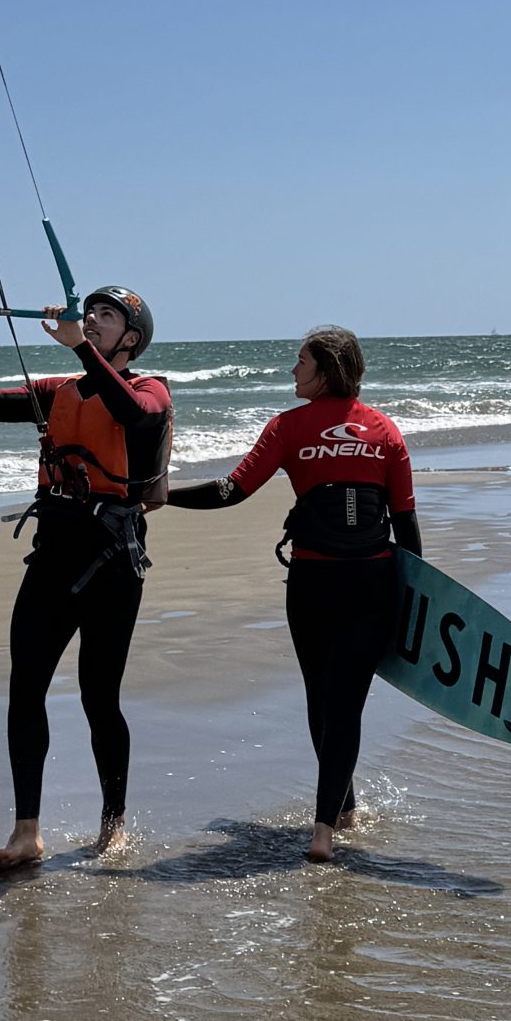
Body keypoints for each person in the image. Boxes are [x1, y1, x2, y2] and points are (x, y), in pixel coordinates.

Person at [168, 326, 419, 862]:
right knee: (346, 705)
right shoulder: (386, 431)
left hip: (312, 584)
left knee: (320, 699)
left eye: (301, 361)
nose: (293, 370)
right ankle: (333, 820)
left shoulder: (287, 427)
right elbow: (407, 529)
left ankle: (333, 818)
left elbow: (229, 492)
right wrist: (413, 606)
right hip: (371, 583)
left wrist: (161, 496)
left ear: (325, 368)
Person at [0, 287, 172, 871]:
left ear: (131, 338)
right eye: (89, 312)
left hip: (113, 564)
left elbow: (135, 416)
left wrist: (80, 349)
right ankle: (27, 832)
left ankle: (113, 824)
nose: (92, 320)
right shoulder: (57, 392)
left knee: (100, 697)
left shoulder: (149, 391)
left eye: (106, 316)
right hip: (53, 558)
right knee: (25, 690)